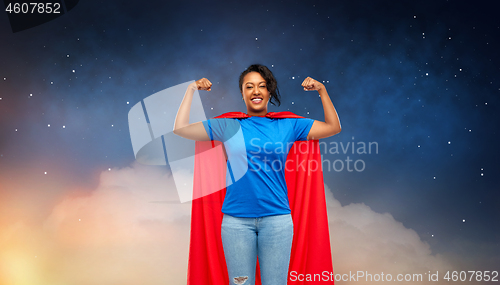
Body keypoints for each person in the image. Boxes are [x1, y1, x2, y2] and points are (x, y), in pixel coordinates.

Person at [173, 64, 341, 285]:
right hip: (236, 223)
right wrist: (191, 90)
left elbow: (333, 127)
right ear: (242, 94)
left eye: (262, 86)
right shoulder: (228, 125)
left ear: (269, 92)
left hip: (277, 221)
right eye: (249, 86)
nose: (256, 91)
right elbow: (180, 128)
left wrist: (322, 90)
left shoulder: (289, 125)